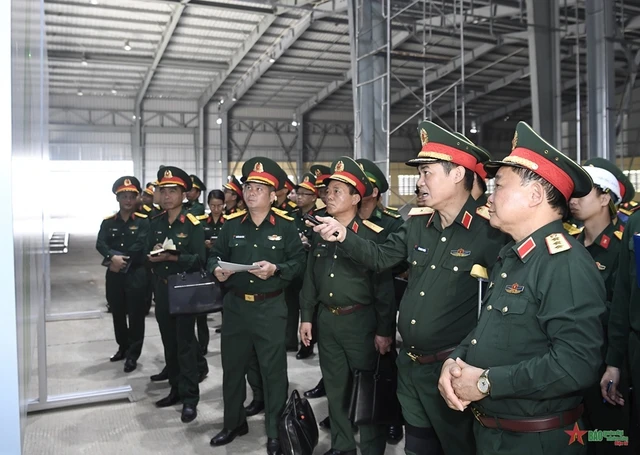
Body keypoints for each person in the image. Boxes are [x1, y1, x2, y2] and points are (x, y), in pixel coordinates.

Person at [311, 121, 509, 455]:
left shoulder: (491, 232)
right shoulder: (418, 222)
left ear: (458, 175)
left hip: (453, 370)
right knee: (417, 448)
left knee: (459, 446)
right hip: (412, 366)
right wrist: (343, 235)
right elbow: (380, 257)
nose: (419, 183)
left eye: (427, 173)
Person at [436, 121, 606, 455]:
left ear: (534, 195)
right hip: (494, 434)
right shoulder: (515, 256)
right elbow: (489, 331)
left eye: (498, 186)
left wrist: (486, 382)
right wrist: (455, 360)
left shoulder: (564, 263)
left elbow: (576, 365)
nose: (488, 196)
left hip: (536, 441)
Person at [208, 157, 306, 455]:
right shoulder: (231, 225)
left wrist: (276, 269)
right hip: (236, 308)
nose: (251, 192)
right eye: (248, 186)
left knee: (273, 372)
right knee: (233, 369)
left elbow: (299, 263)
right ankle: (233, 422)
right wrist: (217, 269)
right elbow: (215, 256)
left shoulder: (287, 228)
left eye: (259, 188)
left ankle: (275, 431)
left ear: (273, 195)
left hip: (270, 309)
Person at [299, 157, 394, 455]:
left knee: (368, 390)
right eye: (328, 190)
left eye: (338, 190)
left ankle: (371, 448)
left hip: (361, 324)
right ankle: (342, 445)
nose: (329, 195)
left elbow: (384, 290)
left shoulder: (370, 238)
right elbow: (311, 281)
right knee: (336, 387)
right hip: (328, 321)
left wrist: (384, 330)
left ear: (356, 198)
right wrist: (306, 318)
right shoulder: (321, 233)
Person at [569, 158, 634, 454]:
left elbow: (622, 308)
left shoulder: (623, 247)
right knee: (575, 437)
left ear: (605, 197)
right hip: (570, 363)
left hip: (606, 363)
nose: (574, 199)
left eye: (584, 192)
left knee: (610, 438)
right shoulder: (567, 245)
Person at [147, 166, 208, 424]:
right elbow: (145, 255)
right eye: (164, 190)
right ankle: (175, 389)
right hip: (162, 288)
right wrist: (154, 255)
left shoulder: (192, 224)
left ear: (184, 194)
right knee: (169, 344)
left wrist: (173, 256)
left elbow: (200, 260)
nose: (168, 195)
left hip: (183, 289)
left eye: (173, 191)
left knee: (185, 345)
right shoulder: (156, 223)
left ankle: (190, 398)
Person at [356, 158, 405, 444]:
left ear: (374, 191)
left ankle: (391, 418)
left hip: (379, 303)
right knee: (355, 366)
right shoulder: (341, 219)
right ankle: (357, 412)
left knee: (383, 366)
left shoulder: (391, 222)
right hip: (352, 303)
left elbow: (398, 261)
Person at [96, 176, 149, 373]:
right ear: (118, 199)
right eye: (124, 196)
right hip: (115, 275)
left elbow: (140, 245)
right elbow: (100, 243)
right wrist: (111, 257)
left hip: (135, 274)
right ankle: (122, 347)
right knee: (117, 312)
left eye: (131, 196)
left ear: (136, 199)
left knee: (136, 315)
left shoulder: (144, 222)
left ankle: (133, 354)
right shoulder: (108, 222)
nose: (128, 200)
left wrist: (119, 261)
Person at [287, 173, 319, 359]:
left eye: (304, 194)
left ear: (314, 197)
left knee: (310, 309)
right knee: (291, 306)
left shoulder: (321, 216)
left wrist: (309, 242)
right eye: (298, 193)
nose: (299, 197)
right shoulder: (291, 216)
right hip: (294, 269)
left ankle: (307, 345)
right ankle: (289, 340)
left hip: (311, 269)